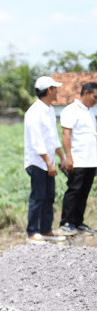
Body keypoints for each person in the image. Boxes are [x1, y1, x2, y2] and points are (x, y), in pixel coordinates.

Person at [24, 76, 68, 245]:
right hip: (37, 162)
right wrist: (49, 162)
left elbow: (52, 138)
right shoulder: (34, 112)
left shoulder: (49, 110)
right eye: (55, 88)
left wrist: (62, 157)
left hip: (47, 162)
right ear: (49, 90)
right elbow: (36, 142)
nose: (57, 91)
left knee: (49, 196)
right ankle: (32, 232)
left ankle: (45, 229)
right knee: (38, 197)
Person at [58, 82, 97, 236]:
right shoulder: (71, 110)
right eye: (95, 96)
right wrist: (68, 157)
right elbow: (66, 134)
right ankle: (66, 222)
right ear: (86, 93)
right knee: (74, 191)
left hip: (90, 160)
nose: (96, 100)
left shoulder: (91, 112)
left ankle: (78, 222)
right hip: (78, 159)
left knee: (84, 192)